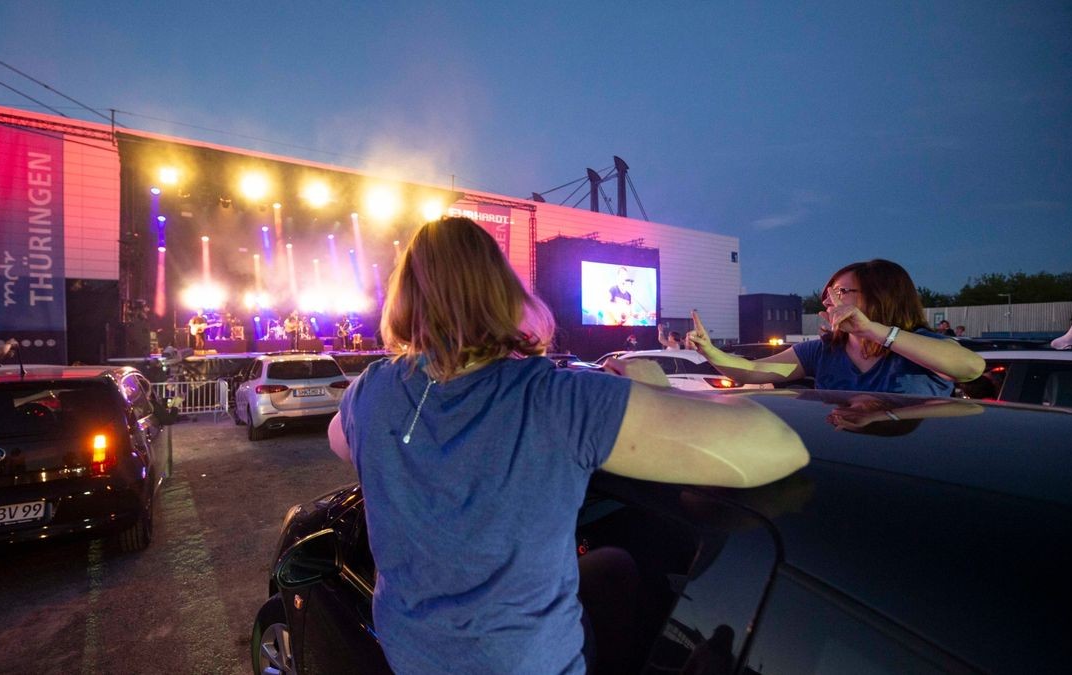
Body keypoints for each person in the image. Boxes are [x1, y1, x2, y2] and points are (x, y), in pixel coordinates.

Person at [327, 217, 808, 674]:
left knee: (610, 566)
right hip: (523, 666)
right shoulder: (557, 399)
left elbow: (340, 441)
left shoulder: (372, 391)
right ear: (504, 292)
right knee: (619, 568)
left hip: (411, 657)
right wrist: (657, 391)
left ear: (405, 298)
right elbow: (778, 445)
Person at [685, 259, 985, 396]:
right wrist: (710, 351)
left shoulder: (918, 346)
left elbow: (970, 368)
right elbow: (752, 371)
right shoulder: (822, 352)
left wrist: (873, 330)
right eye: (828, 294)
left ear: (880, 297)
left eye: (840, 292)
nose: (829, 302)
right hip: (845, 465)